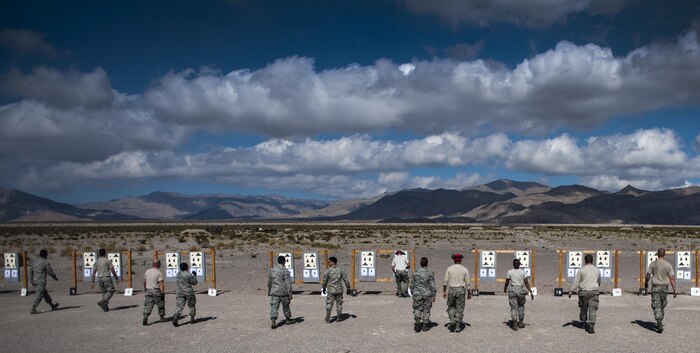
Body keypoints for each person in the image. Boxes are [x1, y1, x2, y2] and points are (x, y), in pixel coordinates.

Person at [644, 248, 677, 333]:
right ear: (664, 254)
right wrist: (674, 290)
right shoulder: (668, 265)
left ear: (657, 254)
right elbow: (672, 278)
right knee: (662, 304)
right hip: (665, 288)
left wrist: (646, 284)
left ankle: (659, 321)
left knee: (657, 305)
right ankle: (660, 321)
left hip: (656, 287)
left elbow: (648, 275)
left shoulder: (653, 264)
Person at [568, 254, 600, 333]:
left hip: (583, 292)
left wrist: (571, 290)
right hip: (594, 291)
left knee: (583, 308)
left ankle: (583, 323)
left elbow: (576, 282)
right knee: (593, 309)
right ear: (592, 260)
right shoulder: (597, 270)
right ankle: (591, 326)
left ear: (585, 260)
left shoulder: (582, 270)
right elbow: (599, 281)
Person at [443, 253, 471, 332]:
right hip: (461, 290)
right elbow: (467, 283)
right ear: (461, 260)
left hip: (452, 289)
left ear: (454, 260)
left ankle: (452, 319)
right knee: (460, 308)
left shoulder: (449, 269)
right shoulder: (465, 269)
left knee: (451, 306)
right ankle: (458, 326)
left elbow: (445, 282)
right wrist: (469, 293)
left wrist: (444, 291)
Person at [504, 258, 534, 331]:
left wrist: (505, 288)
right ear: (519, 264)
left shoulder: (509, 272)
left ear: (513, 264)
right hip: (520, 290)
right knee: (521, 306)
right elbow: (526, 282)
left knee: (514, 307)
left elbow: (507, 281)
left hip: (512, 290)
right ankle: (520, 323)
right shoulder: (523, 272)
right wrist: (530, 291)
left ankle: (514, 324)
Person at [321, 256, 351, 323]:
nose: (328, 263)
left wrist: (323, 288)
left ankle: (327, 317)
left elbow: (324, 280)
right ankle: (339, 317)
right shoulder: (341, 270)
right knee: (339, 304)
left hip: (331, 290)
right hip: (339, 290)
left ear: (332, 262)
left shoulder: (328, 271)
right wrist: (348, 287)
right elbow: (346, 279)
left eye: (329, 262)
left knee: (329, 303)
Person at [410, 257, 436, 332]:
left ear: (420, 263)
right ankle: (425, 325)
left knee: (417, 308)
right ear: (427, 263)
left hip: (417, 293)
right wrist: (434, 295)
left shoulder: (415, 273)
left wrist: (412, 293)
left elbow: (411, 284)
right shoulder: (430, 273)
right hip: (427, 294)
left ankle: (417, 321)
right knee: (426, 309)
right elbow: (433, 285)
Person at [29, 250, 59, 314]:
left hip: (35, 281)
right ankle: (33, 308)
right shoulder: (45, 262)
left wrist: (31, 280)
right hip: (41, 281)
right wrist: (55, 277)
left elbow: (30, 272)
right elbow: (50, 272)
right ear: (45, 255)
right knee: (39, 294)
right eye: (47, 255)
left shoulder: (34, 262)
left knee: (45, 294)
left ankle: (52, 305)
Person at [268, 255, 294, 329]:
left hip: (274, 291)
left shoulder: (272, 270)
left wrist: (269, 290)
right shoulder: (285, 271)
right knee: (286, 306)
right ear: (283, 261)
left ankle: (273, 320)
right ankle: (288, 319)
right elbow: (288, 283)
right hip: (283, 292)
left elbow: (269, 281)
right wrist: (290, 293)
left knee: (274, 306)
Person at [172, 262, 198, 327]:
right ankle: (192, 319)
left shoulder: (178, 274)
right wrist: (194, 275)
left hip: (180, 292)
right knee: (192, 305)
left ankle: (176, 317)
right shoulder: (189, 275)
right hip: (189, 291)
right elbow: (194, 282)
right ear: (186, 267)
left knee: (179, 306)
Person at [142, 259, 165, 325]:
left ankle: (146, 315)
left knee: (148, 304)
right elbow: (161, 283)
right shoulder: (159, 273)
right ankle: (161, 317)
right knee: (160, 304)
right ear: (158, 264)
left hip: (148, 290)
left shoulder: (147, 271)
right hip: (156, 290)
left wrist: (145, 288)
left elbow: (144, 282)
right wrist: (162, 292)